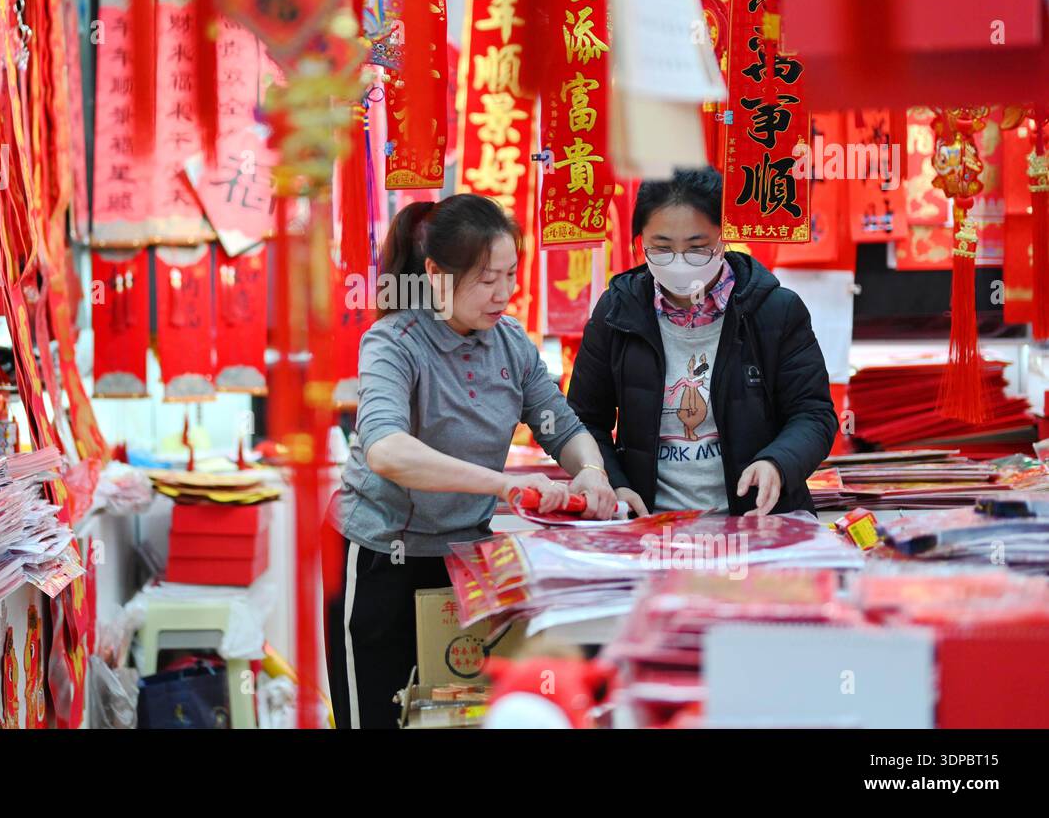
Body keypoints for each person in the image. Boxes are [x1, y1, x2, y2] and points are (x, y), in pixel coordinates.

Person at [324, 193, 622, 729]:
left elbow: (562, 425)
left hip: (465, 562)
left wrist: (591, 471)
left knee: (457, 711)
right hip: (378, 560)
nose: (504, 293)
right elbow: (386, 449)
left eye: (511, 275)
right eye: (487, 279)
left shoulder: (511, 343)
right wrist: (501, 484)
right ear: (435, 274)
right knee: (378, 714)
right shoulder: (394, 342)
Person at [566, 167, 837, 517]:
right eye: (661, 248)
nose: (679, 263)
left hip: (757, 523)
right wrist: (613, 482)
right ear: (641, 241)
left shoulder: (775, 311)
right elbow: (583, 421)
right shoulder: (617, 312)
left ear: (723, 237)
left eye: (697, 248)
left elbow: (814, 414)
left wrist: (777, 463)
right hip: (650, 525)